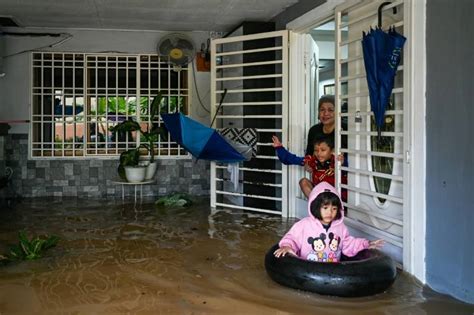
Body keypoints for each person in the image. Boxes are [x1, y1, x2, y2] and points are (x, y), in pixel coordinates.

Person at [273, 182, 384, 262]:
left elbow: (348, 244)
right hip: (308, 270)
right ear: (316, 207)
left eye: (334, 209)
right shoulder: (303, 225)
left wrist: (366, 244)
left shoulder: (340, 228)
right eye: (325, 208)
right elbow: (291, 238)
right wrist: (287, 246)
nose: (330, 212)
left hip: (331, 272)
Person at [272, 135, 347, 199]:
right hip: (320, 196)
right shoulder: (312, 160)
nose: (319, 153)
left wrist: (342, 162)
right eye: (316, 150)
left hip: (337, 196)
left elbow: (347, 169)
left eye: (323, 150)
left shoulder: (338, 160)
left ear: (332, 151)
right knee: (303, 181)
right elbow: (291, 159)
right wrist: (279, 148)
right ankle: (316, 206)